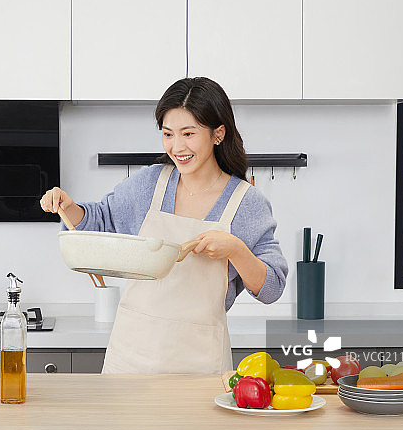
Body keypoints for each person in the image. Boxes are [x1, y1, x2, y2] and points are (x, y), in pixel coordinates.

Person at [40, 77, 288, 374]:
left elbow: (272, 287)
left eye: (188, 133)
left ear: (218, 133)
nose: (177, 146)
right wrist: (70, 208)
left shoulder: (245, 203)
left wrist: (235, 249)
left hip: (198, 363)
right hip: (131, 356)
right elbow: (99, 222)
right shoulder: (149, 183)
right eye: (168, 134)